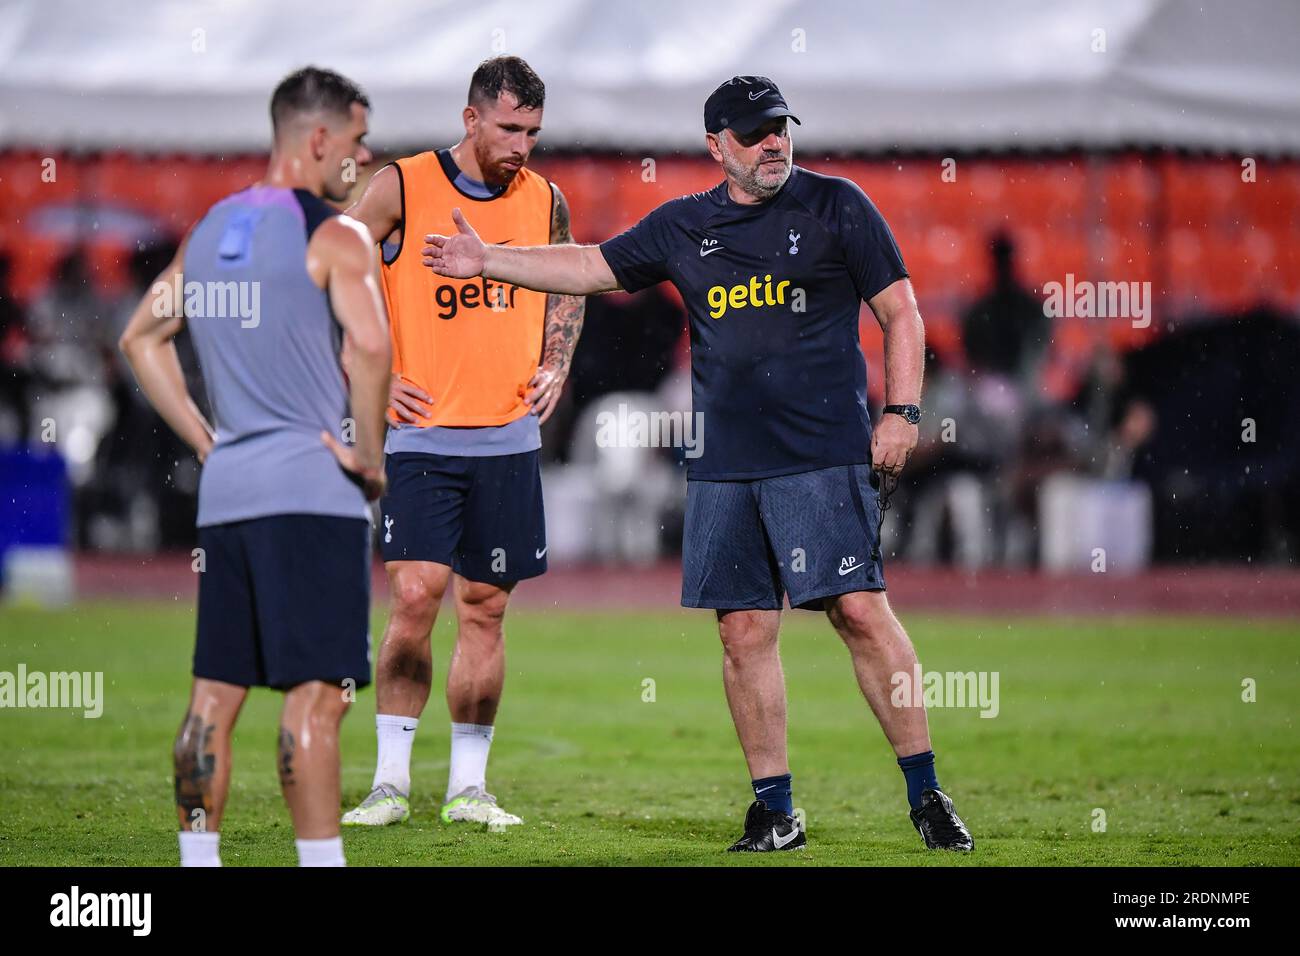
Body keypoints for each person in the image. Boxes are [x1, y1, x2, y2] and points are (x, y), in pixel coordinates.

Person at [423, 75, 973, 853]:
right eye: (754, 134)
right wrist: (489, 260)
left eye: (780, 127)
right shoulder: (683, 225)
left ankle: (926, 794)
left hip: (821, 453)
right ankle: (775, 810)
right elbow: (587, 267)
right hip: (722, 465)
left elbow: (901, 312)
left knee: (858, 612)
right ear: (717, 147)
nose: (773, 143)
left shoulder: (838, 204)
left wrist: (903, 412)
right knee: (743, 631)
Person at [118, 66, 390, 866]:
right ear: (318, 139)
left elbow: (140, 339)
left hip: (229, 495)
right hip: (312, 493)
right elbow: (371, 347)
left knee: (212, 700)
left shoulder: (207, 233)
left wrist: (209, 442)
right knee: (317, 699)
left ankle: (197, 864)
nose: (365, 157)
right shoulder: (338, 236)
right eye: (357, 139)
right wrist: (368, 460)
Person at [341, 56, 585, 828]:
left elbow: (571, 281)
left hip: (507, 442)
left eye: (534, 132)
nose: (523, 145)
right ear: (470, 117)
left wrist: (557, 361)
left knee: (485, 609)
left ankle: (468, 788)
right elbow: (328, 276)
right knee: (415, 598)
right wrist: (371, 385)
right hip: (421, 439)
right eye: (510, 127)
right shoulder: (400, 186)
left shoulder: (546, 199)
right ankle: (388, 782)